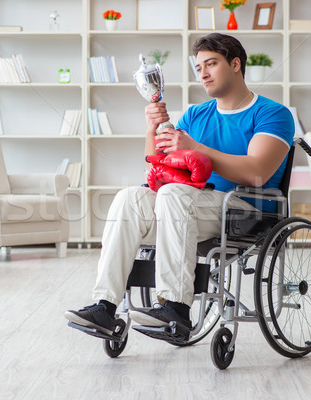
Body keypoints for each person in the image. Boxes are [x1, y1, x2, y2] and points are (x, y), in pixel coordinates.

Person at [65, 33, 294, 339]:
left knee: (174, 195)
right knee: (130, 197)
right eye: (199, 67)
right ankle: (104, 306)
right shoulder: (196, 114)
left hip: (245, 210)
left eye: (211, 63)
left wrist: (197, 147)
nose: (203, 73)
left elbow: (257, 172)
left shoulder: (272, 113)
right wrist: (152, 129)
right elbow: (158, 167)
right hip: (190, 206)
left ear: (236, 64)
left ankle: (175, 308)